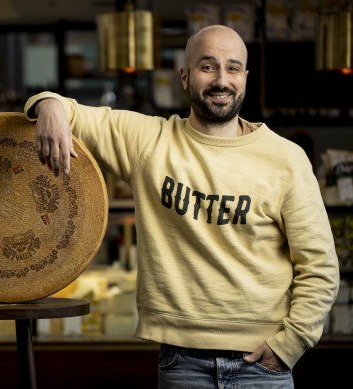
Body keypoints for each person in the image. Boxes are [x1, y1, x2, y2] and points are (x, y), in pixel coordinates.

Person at [23, 24, 339, 388]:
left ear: (245, 78)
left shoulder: (286, 158)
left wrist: (291, 344)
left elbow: (319, 265)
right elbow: (63, 107)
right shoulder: (148, 141)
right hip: (182, 361)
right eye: (208, 66)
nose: (222, 79)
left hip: (263, 365)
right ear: (185, 76)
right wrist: (48, 106)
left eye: (233, 68)